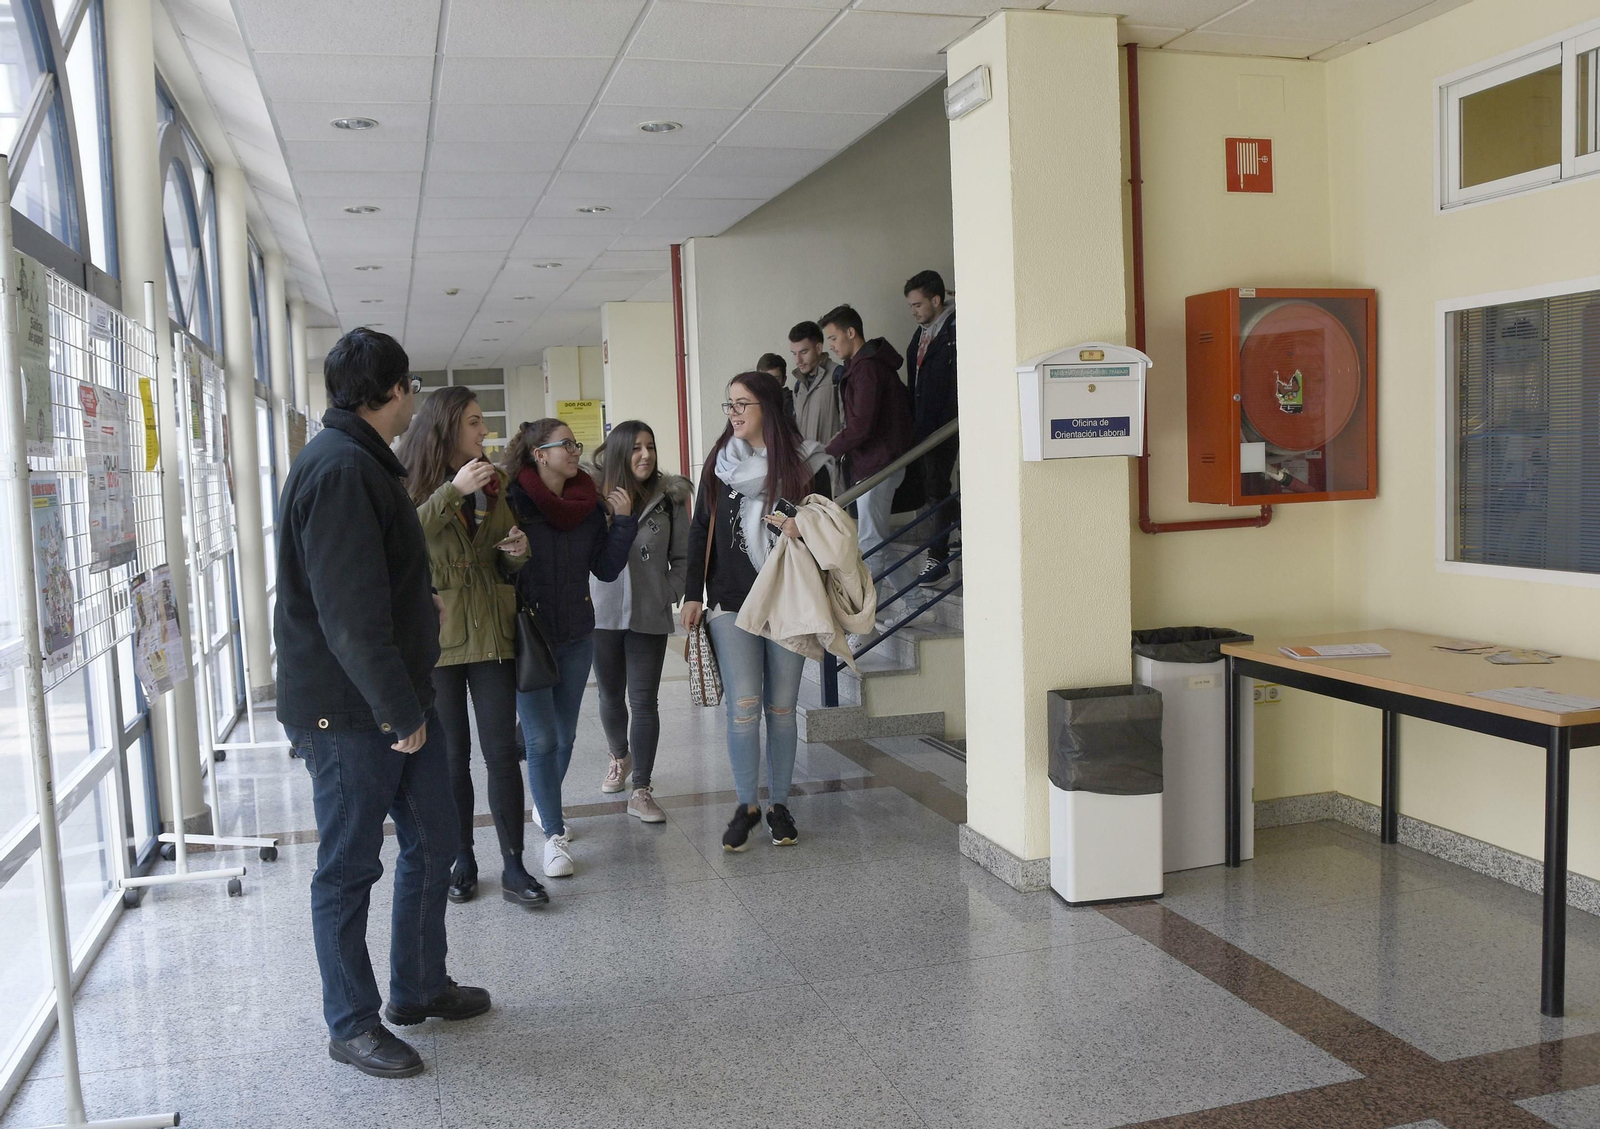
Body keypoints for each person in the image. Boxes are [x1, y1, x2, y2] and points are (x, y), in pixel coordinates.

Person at [275, 327, 488, 1080]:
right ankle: (351, 1022)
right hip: (353, 712)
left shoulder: (361, 461)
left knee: (433, 842)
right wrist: (401, 711)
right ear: (394, 391)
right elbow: (347, 615)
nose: (414, 405)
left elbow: (372, 586)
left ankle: (419, 984)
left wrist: (413, 605)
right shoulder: (338, 470)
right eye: (411, 392)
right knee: (348, 866)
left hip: (391, 696)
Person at [396, 386, 547, 910]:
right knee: (452, 757)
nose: (484, 432)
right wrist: (452, 491)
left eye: (483, 423)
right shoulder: (409, 482)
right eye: (474, 423)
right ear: (445, 429)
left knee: (502, 753)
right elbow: (404, 540)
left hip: (492, 634)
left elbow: (502, 552)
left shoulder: (493, 483)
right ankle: (463, 861)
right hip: (438, 639)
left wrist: (518, 552)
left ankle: (513, 865)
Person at [681, 371, 831, 851]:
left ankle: (779, 804)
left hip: (787, 599)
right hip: (729, 601)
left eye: (742, 404)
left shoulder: (806, 465)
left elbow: (829, 528)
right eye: (729, 405)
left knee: (782, 709)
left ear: (767, 406)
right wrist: (691, 594)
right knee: (744, 707)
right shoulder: (719, 464)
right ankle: (747, 805)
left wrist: (799, 529)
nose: (734, 413)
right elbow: (700, 527)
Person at [504, 418, 636, 878]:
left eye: (576, 443)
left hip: (578, 634)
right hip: (528, 637)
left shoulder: (586, 503)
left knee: (566, 736)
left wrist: (622, 525)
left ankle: (545, 806)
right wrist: (510, 554)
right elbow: (500, 569)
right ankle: (553, 837)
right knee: (541, 739)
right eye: (566, 444)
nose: (576, 450)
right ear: (539, 454)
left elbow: (604, 569)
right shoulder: (513, 501)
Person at [590, 421, 691, 822]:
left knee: (644, 702)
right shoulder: (593, 498)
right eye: (635, 448)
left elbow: (683, 557)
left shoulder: (670, 498)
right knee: (610, 697)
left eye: (650, 446)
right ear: (618, 454)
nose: (645, 455)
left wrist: (667, 592)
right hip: (601, 614)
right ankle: (619, 756)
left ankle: (642, 789)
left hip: (649, 614)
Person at [820, 304, 915, 610]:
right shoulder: (862, 367)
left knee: (872, 541)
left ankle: (901, 604)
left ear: (851, 332)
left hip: (878, 463)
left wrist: (827, 452)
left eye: (834, 338)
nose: (831, 346)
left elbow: (861, 425)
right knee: (871, 540)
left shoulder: (868, 369)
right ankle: (895, 605)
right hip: (872, 463)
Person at [904, 270, 959, 585]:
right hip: (926, 425)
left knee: (938, 489)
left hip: (947, 423)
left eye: (918, 304)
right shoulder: (920, 334)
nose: (913, 311)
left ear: (936, 300)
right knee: (934, 487)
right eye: (911, 305)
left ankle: (937, 557)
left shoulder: (954, 330)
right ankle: (963, 527)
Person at [786, 321, 844, 464]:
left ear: (819, 348)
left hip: (835, 471)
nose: (798, 360)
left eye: (804, 352)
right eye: (794, 353)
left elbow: (852, 429)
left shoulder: (838, 377)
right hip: (807, 472)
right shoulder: (799, 386)